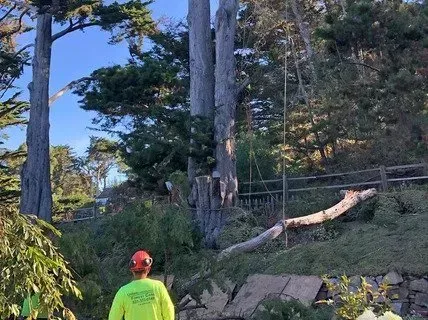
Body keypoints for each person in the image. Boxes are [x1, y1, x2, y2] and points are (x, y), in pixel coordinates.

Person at [108, 250, 175, 320]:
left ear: (132, 271)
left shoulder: (122, 292)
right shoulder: (158, 287)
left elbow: (113, 317)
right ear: (148, 269)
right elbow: (168, 310)